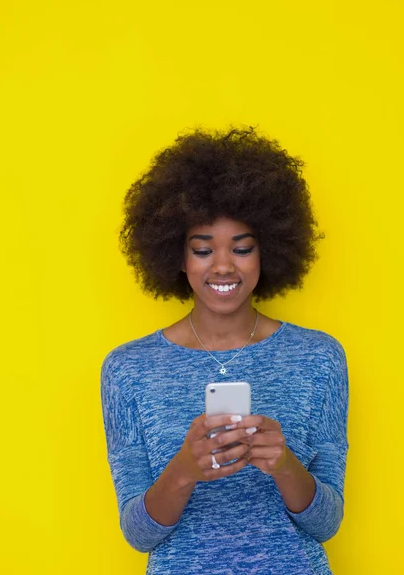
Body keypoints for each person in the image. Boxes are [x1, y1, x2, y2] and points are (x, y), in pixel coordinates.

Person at [100, 126, 350, 575]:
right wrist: (184, 467)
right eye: (201, 249)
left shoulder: (319, 358)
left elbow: (328, 523)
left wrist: (284, 464)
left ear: (266, 252)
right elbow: (139, 534)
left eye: (242, 248)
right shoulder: (128, 369)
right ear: (177, 257)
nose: (221, 265)